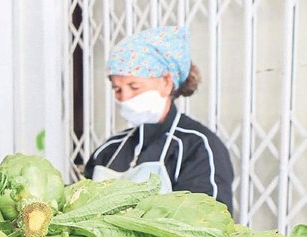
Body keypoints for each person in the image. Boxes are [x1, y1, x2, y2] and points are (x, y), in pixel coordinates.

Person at [84, 26, 234, 213]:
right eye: (117, 89)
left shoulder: (199, 147)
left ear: (166, 83)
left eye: (134, 86)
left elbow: (208, 222)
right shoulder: (109, 150)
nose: (124, 97)